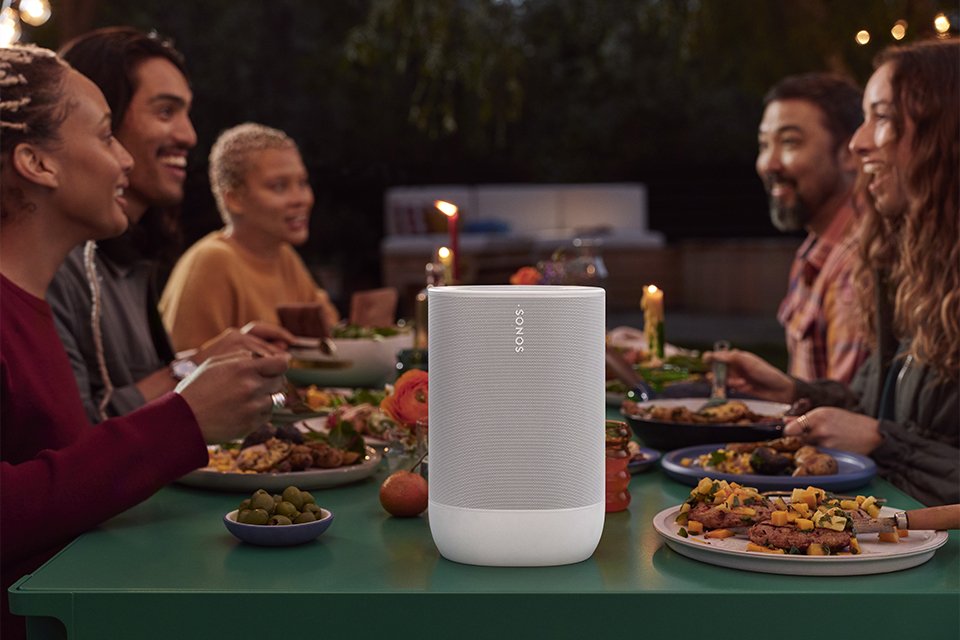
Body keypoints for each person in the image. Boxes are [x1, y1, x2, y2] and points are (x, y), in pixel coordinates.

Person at [0, 45, 289, 640]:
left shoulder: (32, 301)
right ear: (37, 162)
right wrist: (182, 419)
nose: (124, 160)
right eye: (107, 136)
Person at [710, 40, 959, 507]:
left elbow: (882, 434)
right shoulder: (918, 273)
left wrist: (886, 444)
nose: (858, 141)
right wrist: (793, 391)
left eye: (882, 117)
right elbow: (873, 410)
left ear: (945, 137)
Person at [46, 27, 294, 423]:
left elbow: (127, 389)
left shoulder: (130, 256)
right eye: (165, 111)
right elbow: (81, 432)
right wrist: (187, 372)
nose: (189, 135)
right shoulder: (55, 259)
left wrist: (199, 360)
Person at [160, 122, 339, 351]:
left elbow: (332, 338)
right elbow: (182, 372)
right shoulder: (211, 261)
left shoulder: (284, 257)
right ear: (234, 199)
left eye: (303, 183)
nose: (301, 198)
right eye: (279, 186)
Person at [756, 72, 871, 384]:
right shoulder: (818, 248)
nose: (770, 163)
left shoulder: (855, 265)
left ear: (849, 153)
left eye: (790, 142)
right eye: (765, 144)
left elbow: (840, 416)